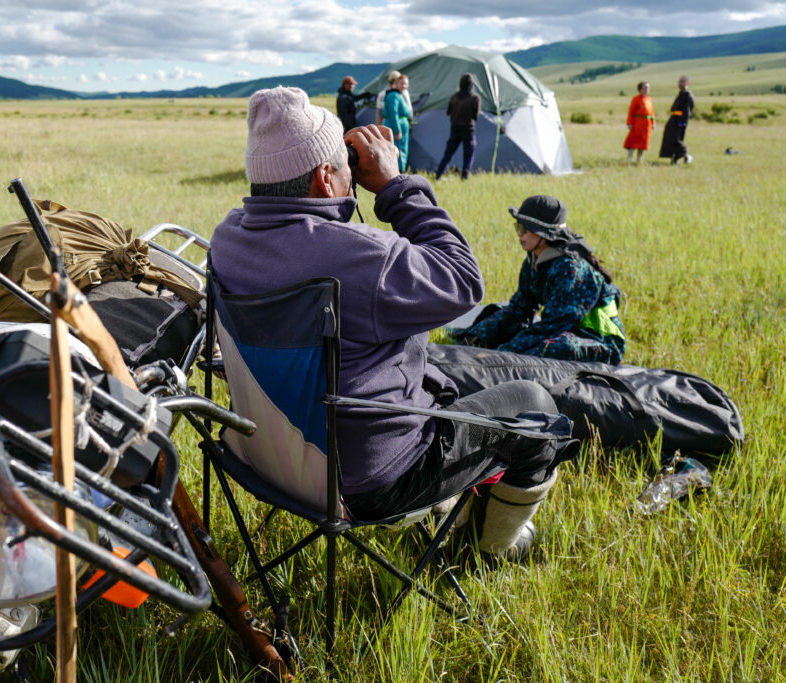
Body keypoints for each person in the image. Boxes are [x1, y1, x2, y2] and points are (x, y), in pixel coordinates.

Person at [210, 87, 575, 561]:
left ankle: (457, 511)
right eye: (344, 164)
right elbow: (464, 281)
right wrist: (396, 184)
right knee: (533, 404)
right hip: (372, 481)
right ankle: (493, 550)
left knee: (440, 381)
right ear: (325, 177)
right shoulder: (361, 257)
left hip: (265, 458)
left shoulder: (226, 240)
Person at [452, 195, 626, 365]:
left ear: (545, 234)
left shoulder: (571, 269)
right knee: (496, 320)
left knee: (553, 348)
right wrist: (482, 334)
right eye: (517, 226)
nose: (519, 234)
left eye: (525, 228)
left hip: (596, 338)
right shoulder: (534, 260)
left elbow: (552, 326)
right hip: (561, 328)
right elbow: (520, 309)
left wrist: (502, 353)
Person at [435, 72, 480, 180]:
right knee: (468, 156)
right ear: (472, 84)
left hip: (455, 129)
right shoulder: (475, 98)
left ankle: (438, 175)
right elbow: (475, 117)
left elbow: (448, 113)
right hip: (468, 129)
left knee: (448, 155)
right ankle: (464, 177)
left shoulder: (454, 97)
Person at [659, 75, 695, 164]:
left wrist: (682, 122)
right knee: (669, 137)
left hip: (680, 120)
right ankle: (674, 158)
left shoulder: (688, 95)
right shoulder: (680, 93)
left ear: (688, 83)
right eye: (679, 81)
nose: (680, 83)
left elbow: (687, 110)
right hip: (673, 119)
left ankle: (686, 155)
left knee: (676, 139)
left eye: (683, 81)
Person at [382, 74, 412, 172]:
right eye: (401, 83)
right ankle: (398, 171)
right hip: (396, 125)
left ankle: (400, 170)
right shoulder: (393, 95)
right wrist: (397, 130)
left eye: (406, 84)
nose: (404, 86)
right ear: (396, 84)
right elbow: (393, 113)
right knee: (398, 149)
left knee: (402, 148)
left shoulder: (399, 95)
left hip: (402, 124)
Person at [623, 81, 655, 163]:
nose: (647, 89)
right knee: (633, 141)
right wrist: (629, 123)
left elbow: (651, 112)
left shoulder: (649, 99)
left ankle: (639, 159)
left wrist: (653, 122)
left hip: (646, 124)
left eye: (648, 87)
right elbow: (631, 111)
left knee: (644, 142)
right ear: (640, 89)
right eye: (645, 87)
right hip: (637, 122)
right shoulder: (636, 99)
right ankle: (629, 158)